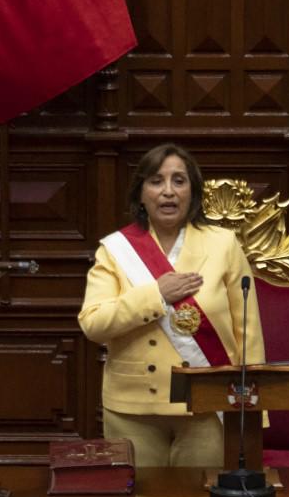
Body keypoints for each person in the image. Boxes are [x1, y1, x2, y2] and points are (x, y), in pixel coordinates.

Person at [78, 143, 265, 468]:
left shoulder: (223, 244)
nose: (168, 191)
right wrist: (156, 295)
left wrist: (251, 405)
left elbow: (247, 331)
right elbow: (94, 324)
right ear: (140, 194)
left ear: (193, 193)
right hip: (133, 408)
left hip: (207, 406)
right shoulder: (115, 249)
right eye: (156, 181)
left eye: (179, 181)